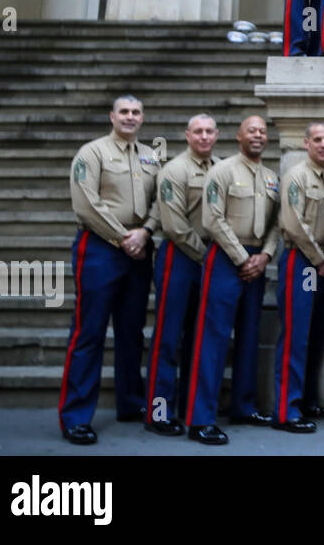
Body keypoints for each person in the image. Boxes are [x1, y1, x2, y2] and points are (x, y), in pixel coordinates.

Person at [60, 95, 160, 445]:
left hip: (138, 248)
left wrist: (145, 231)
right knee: (89, 331)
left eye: (136, 112)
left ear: (142, 118)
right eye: (124, 112)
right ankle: (75, 417)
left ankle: (130, 402)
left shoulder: (150, 156)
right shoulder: (92, 153)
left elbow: (161, 202)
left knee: (132, 330)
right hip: (101, 248)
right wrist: (123, 238)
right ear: (112, 116)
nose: (130, 117)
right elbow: (86, 204)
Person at [186, 116, 280, 445]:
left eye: (262, 131)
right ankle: (200, 419)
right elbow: (213, 219)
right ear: (239, 136)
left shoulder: (271, 178)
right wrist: (243, 258)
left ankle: (243, 406)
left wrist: (265, 256)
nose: (257, 135)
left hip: (257, 261)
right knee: (213, 339)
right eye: (251, 130)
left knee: (250, 336)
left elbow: (275, 226)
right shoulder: (222, 171)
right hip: (226, 259)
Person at [145, 113, 219, 437]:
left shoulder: (223, 169)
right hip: (180, 256)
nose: (204, 137)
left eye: (209, 131)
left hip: (210, 257)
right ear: (187, 135)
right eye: (198, 131)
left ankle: (191, 407)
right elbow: (173, 225)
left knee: (199, 338)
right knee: (167, 338)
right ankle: (159, 412)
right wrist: (207, 259)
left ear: (216, 135)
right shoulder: (174, 170)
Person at [273, 122, 324, 434]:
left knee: (315, 334)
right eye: (317, 139)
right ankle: (286, 410)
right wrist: (319, 260)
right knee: (296, 335)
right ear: (306, 143)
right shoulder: (296, 177)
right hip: (302, 266)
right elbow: (293, 224)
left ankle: (307, 400)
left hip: (322, 267)